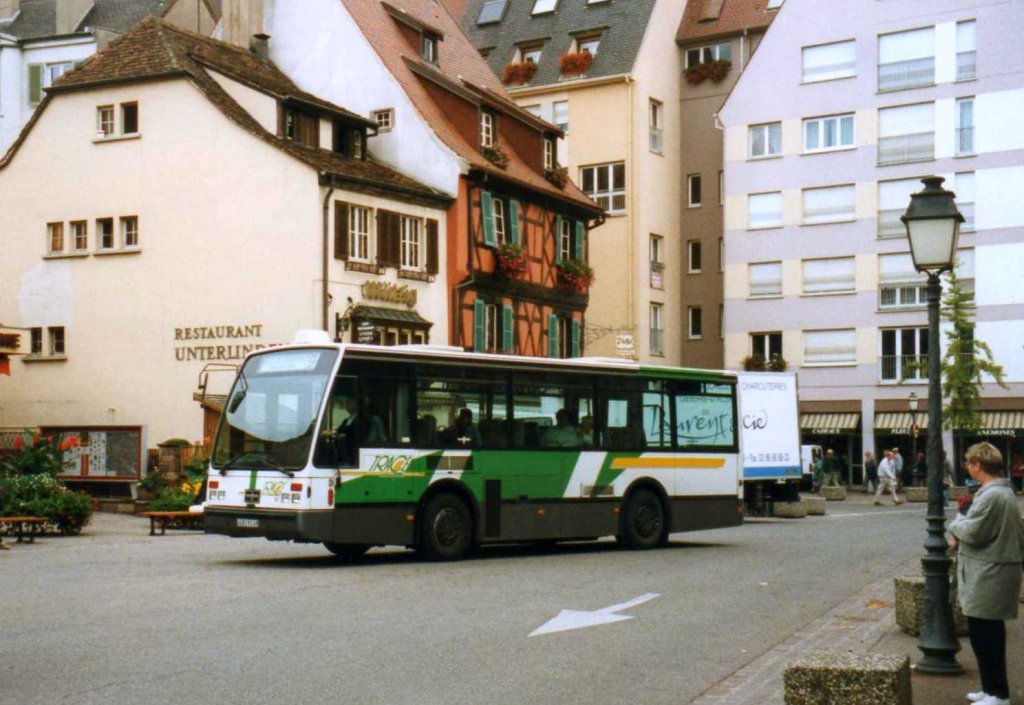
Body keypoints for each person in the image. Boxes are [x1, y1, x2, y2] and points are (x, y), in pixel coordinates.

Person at [947, 442, 1024, 705]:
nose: (968, 467)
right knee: (983, 634)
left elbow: (973, 531)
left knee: (987, 636)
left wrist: (955, 525)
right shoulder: (998, 493)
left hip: (989, 572)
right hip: (990, 569)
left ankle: (998, 694)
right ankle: (990, 688)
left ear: (978, 465)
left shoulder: (992, 496)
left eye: (969, 463)